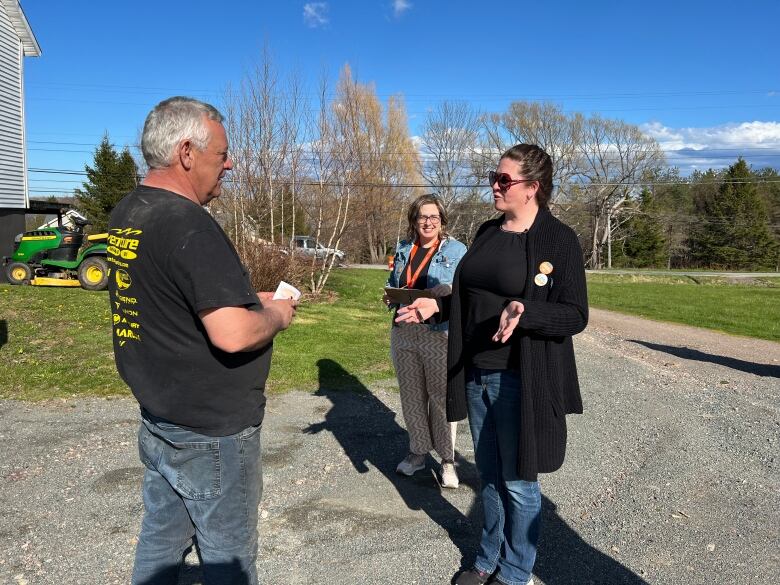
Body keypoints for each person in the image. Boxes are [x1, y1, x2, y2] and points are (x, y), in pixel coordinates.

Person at [107, 96, 297, 585]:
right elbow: (232, 336)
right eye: (222, 154)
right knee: (228, 556)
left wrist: (240, 297)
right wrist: (274, 314)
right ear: (187, 152)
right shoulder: (189, 223)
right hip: (212, 431)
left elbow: (168, 295)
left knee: (162, 542)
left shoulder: (129, 212)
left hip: (161, 416)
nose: (229, 163)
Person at [401, 144, 588, 585]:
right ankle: (487, 558)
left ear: (533, 188)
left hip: (521, 378)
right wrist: (436, 307)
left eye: (504, 180)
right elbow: (468, 296)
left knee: (519, 481)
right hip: (476, 372)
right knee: (487, 476)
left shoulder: (559, 240)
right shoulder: (487, 231)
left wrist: (527, 312)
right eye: (493, 177)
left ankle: (517, 568)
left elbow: (576, 314)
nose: (495, 186)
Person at [385, 194, 467, 488]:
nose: (428, 222)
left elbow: (462, 292)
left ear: (442, 220)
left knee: (442, 398)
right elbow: (398, 284)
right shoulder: (404, 248)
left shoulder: (457, 250)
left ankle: (447, 459)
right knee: (412, 397)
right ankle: (418, 452)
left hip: (438, 332)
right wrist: (390, 295)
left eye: (434, 217)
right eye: (422, 216)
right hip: (404, 331)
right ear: (414, 220)